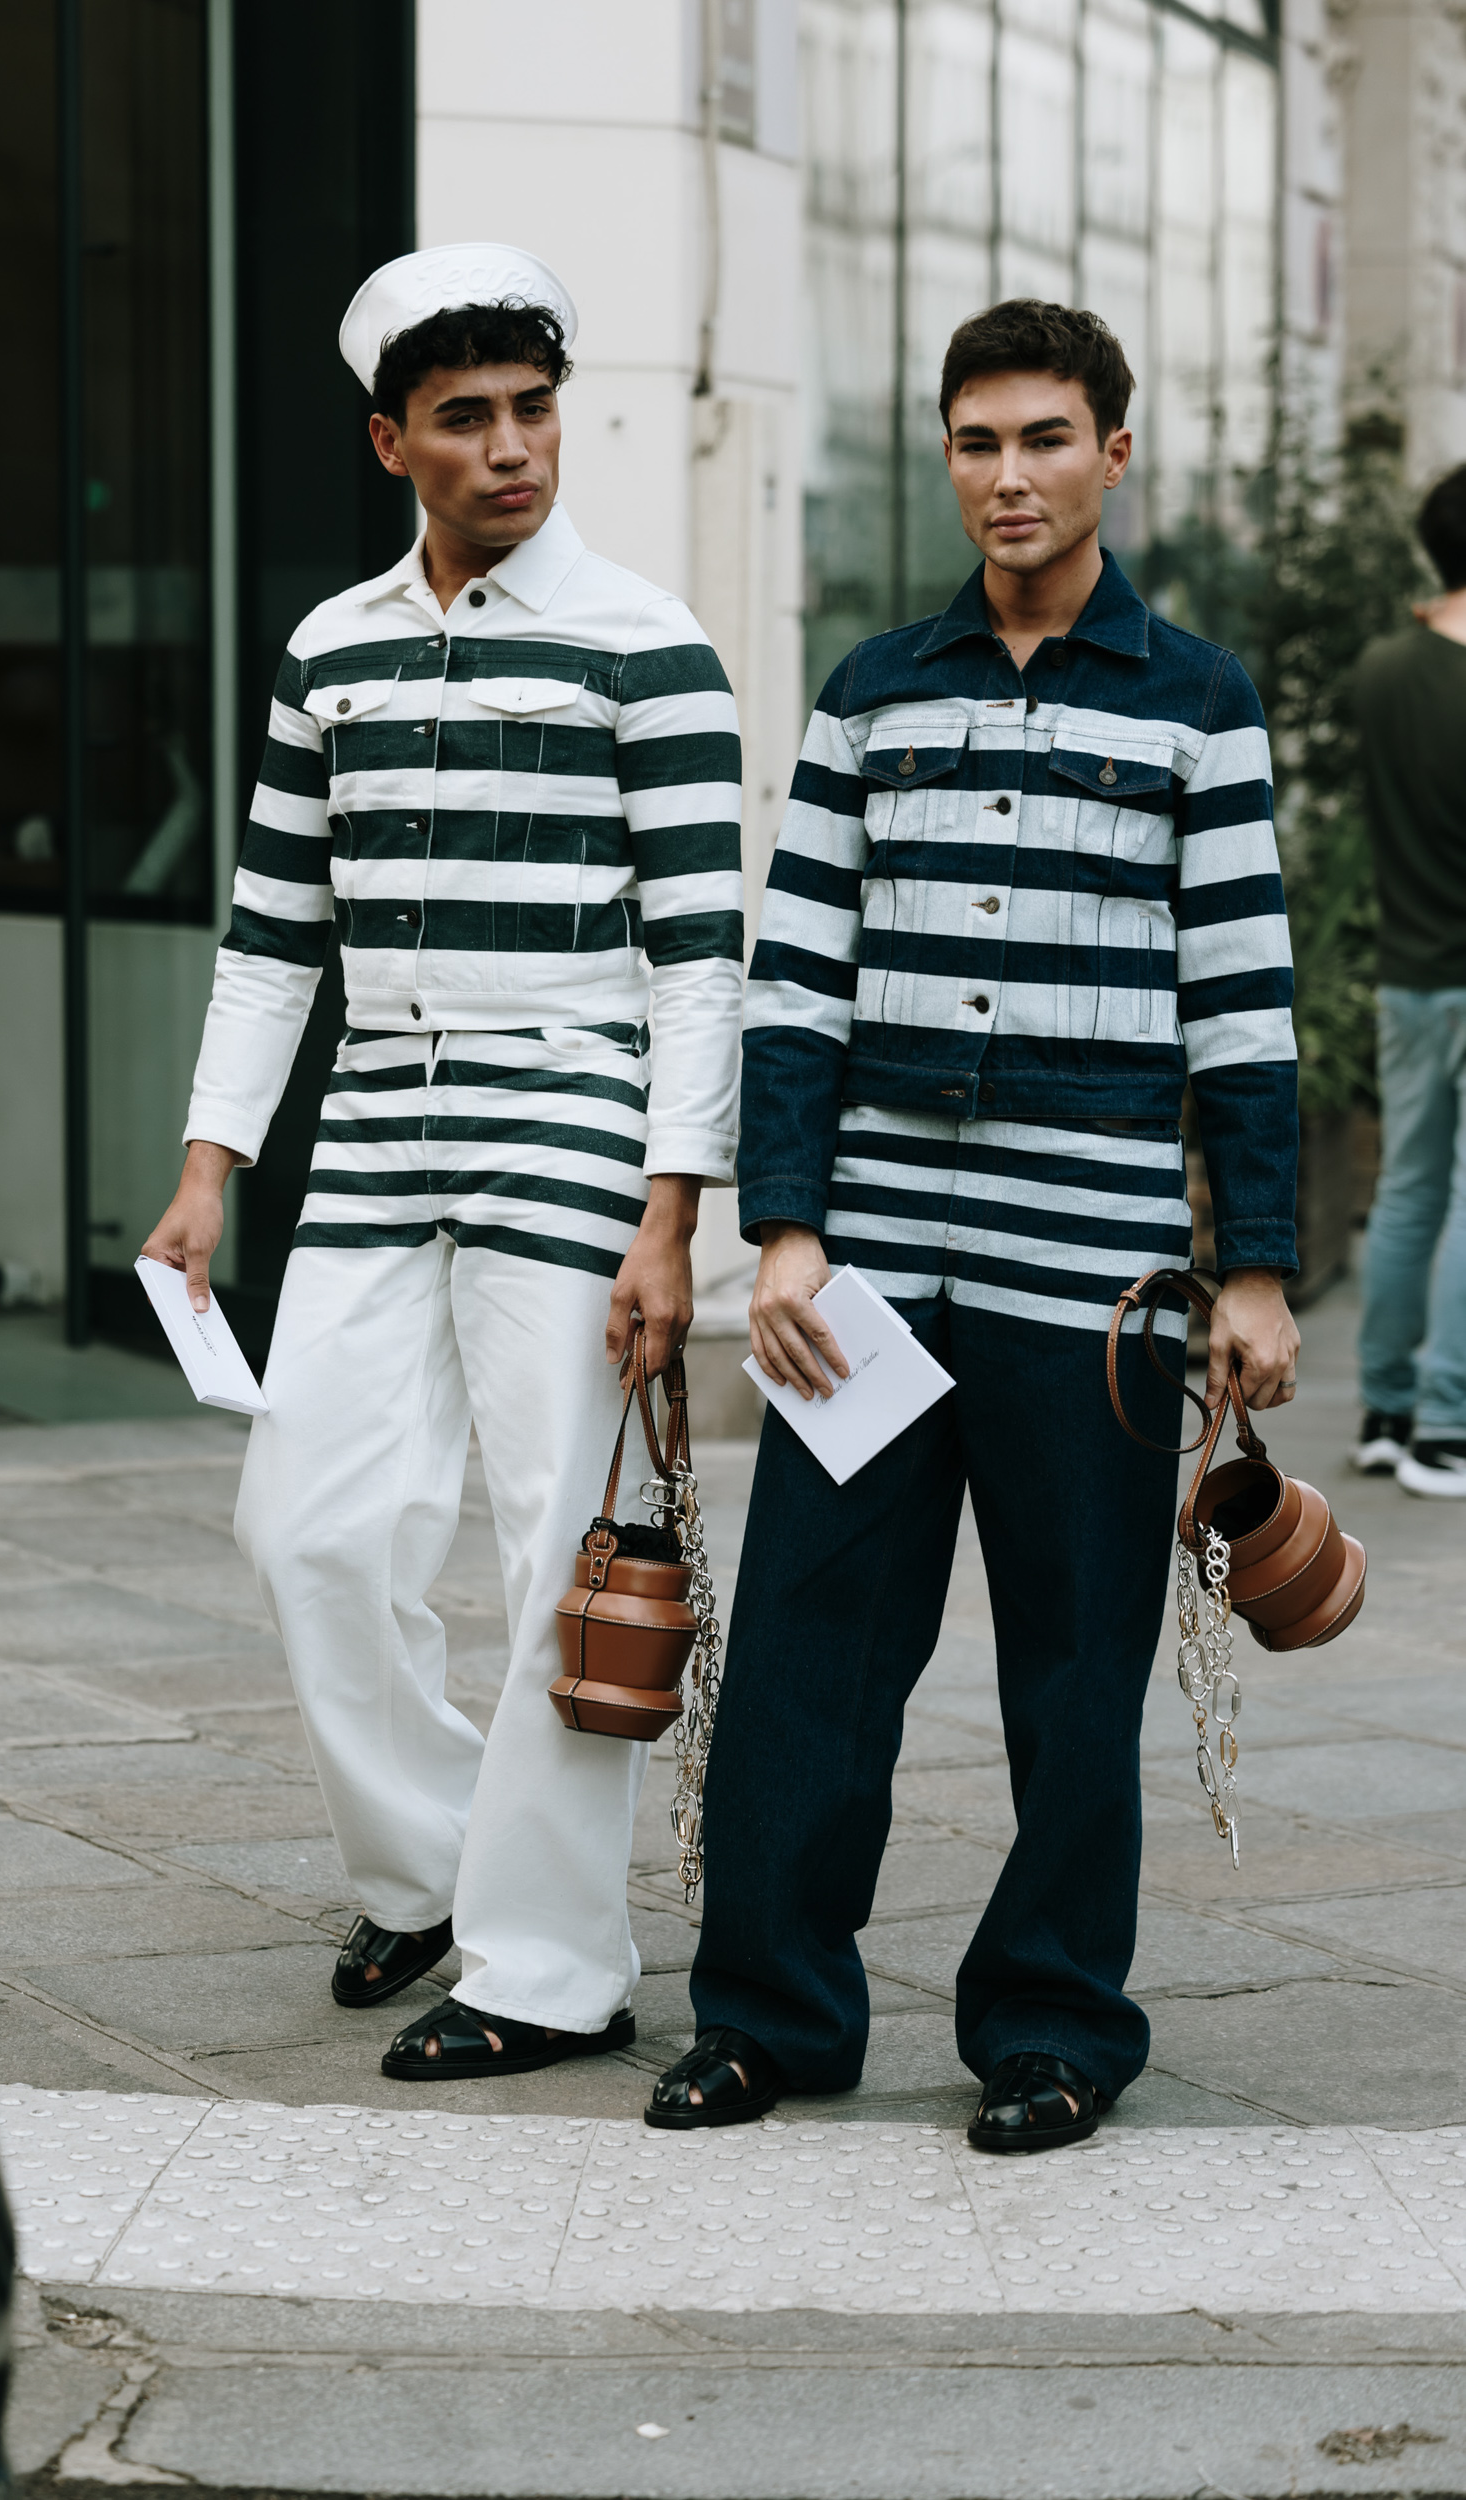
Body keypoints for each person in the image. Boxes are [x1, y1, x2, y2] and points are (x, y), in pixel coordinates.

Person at [645, 300, 1300, 2150]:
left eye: (1042, 438)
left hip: (1089, 1280)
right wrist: (781, 1234)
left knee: (1075, 1666)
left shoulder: (1198, 705)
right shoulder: (870, 693)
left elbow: (1242, 1010)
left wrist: (1248, 1266)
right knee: (802, 1653)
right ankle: (768, 2014)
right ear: (946, 459)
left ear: (1112, 452)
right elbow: (797, 989)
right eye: (974, 442)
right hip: (864, 1275)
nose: (1006, 476)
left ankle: (1053, 2027)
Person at [143, 243, 743, 2079]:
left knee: (556, 1542)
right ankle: (418, 1872)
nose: (509, 450)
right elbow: (267, 938)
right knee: (303, 1526)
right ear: (388, 436)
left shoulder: (650, 643)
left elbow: (698, 959)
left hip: (575, 1106)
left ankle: (553, 1966)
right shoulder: (329, 646)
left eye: (534, 411)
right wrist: (206, 1166)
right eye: (466, 419)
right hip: (372, 1128)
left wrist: (672, 1226)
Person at [1351, 465, 1466, 1498]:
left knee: (1408, 1187)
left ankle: (1385, 1406)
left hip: (1409, 970)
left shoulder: (1383, 669)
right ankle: (1448, 1423)